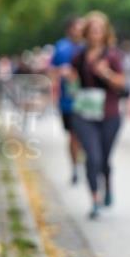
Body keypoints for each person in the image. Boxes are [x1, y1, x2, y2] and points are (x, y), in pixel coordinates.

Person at [71, 11, 127, 220]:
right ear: (86, 33)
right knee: (92, 157)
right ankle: (94, 199)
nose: (96, 34)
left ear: (105, 33)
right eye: (92, 30)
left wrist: (106, 73)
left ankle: (108, 185)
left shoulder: (112, 56)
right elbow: (72, 83)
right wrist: (68, 79)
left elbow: (122, 83)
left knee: (103, 159)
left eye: (99, 30)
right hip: (85, 114)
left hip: (109, 114)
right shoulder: (79, 57)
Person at [51, 17, 84, 184]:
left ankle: (86, 162)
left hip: (87, 100)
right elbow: (51, 71)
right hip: (68, 101)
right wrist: (61, 72)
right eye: (77, 27)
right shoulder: (61, 47)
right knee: (73, 136)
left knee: (86, 135)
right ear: (70, 29)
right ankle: (75, 167)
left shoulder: (88, 46)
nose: (80, 30)